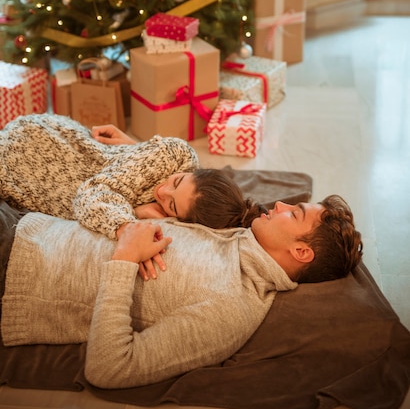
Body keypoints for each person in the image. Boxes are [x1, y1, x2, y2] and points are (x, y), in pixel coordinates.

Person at [0, 192, 363, 389]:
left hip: (13, 274)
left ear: (301, 252)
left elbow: (109, 370)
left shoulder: (231, 308)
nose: (280, 204)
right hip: (28, 224)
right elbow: (199, 186)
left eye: (294, 212)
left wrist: (125, 259)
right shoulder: (242, 235)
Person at [0, 114, 265, 243]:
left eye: (172, 205)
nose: (162, 192)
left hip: (50, 182)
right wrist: (127, 223)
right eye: (177, 181)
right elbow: (91, 194)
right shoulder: (176, 153)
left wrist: (132, 149)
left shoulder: (181, 226)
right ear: (194, 171)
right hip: (36, 147)